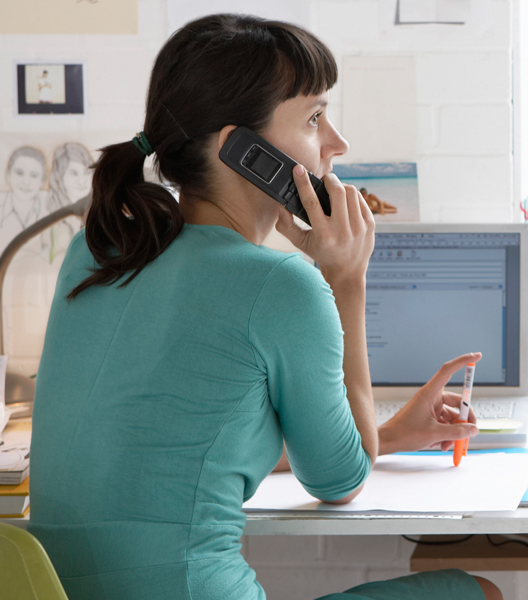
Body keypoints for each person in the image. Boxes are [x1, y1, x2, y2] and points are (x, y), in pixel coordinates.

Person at [29, 14, 502, 600]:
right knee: (477, 590)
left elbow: (180, 453)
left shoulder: (98, 250)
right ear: (244, 152)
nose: (338, 143)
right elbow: (340, 479)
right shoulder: (282, 285)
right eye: (313, 117)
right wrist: (345, 279)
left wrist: (387, 434)